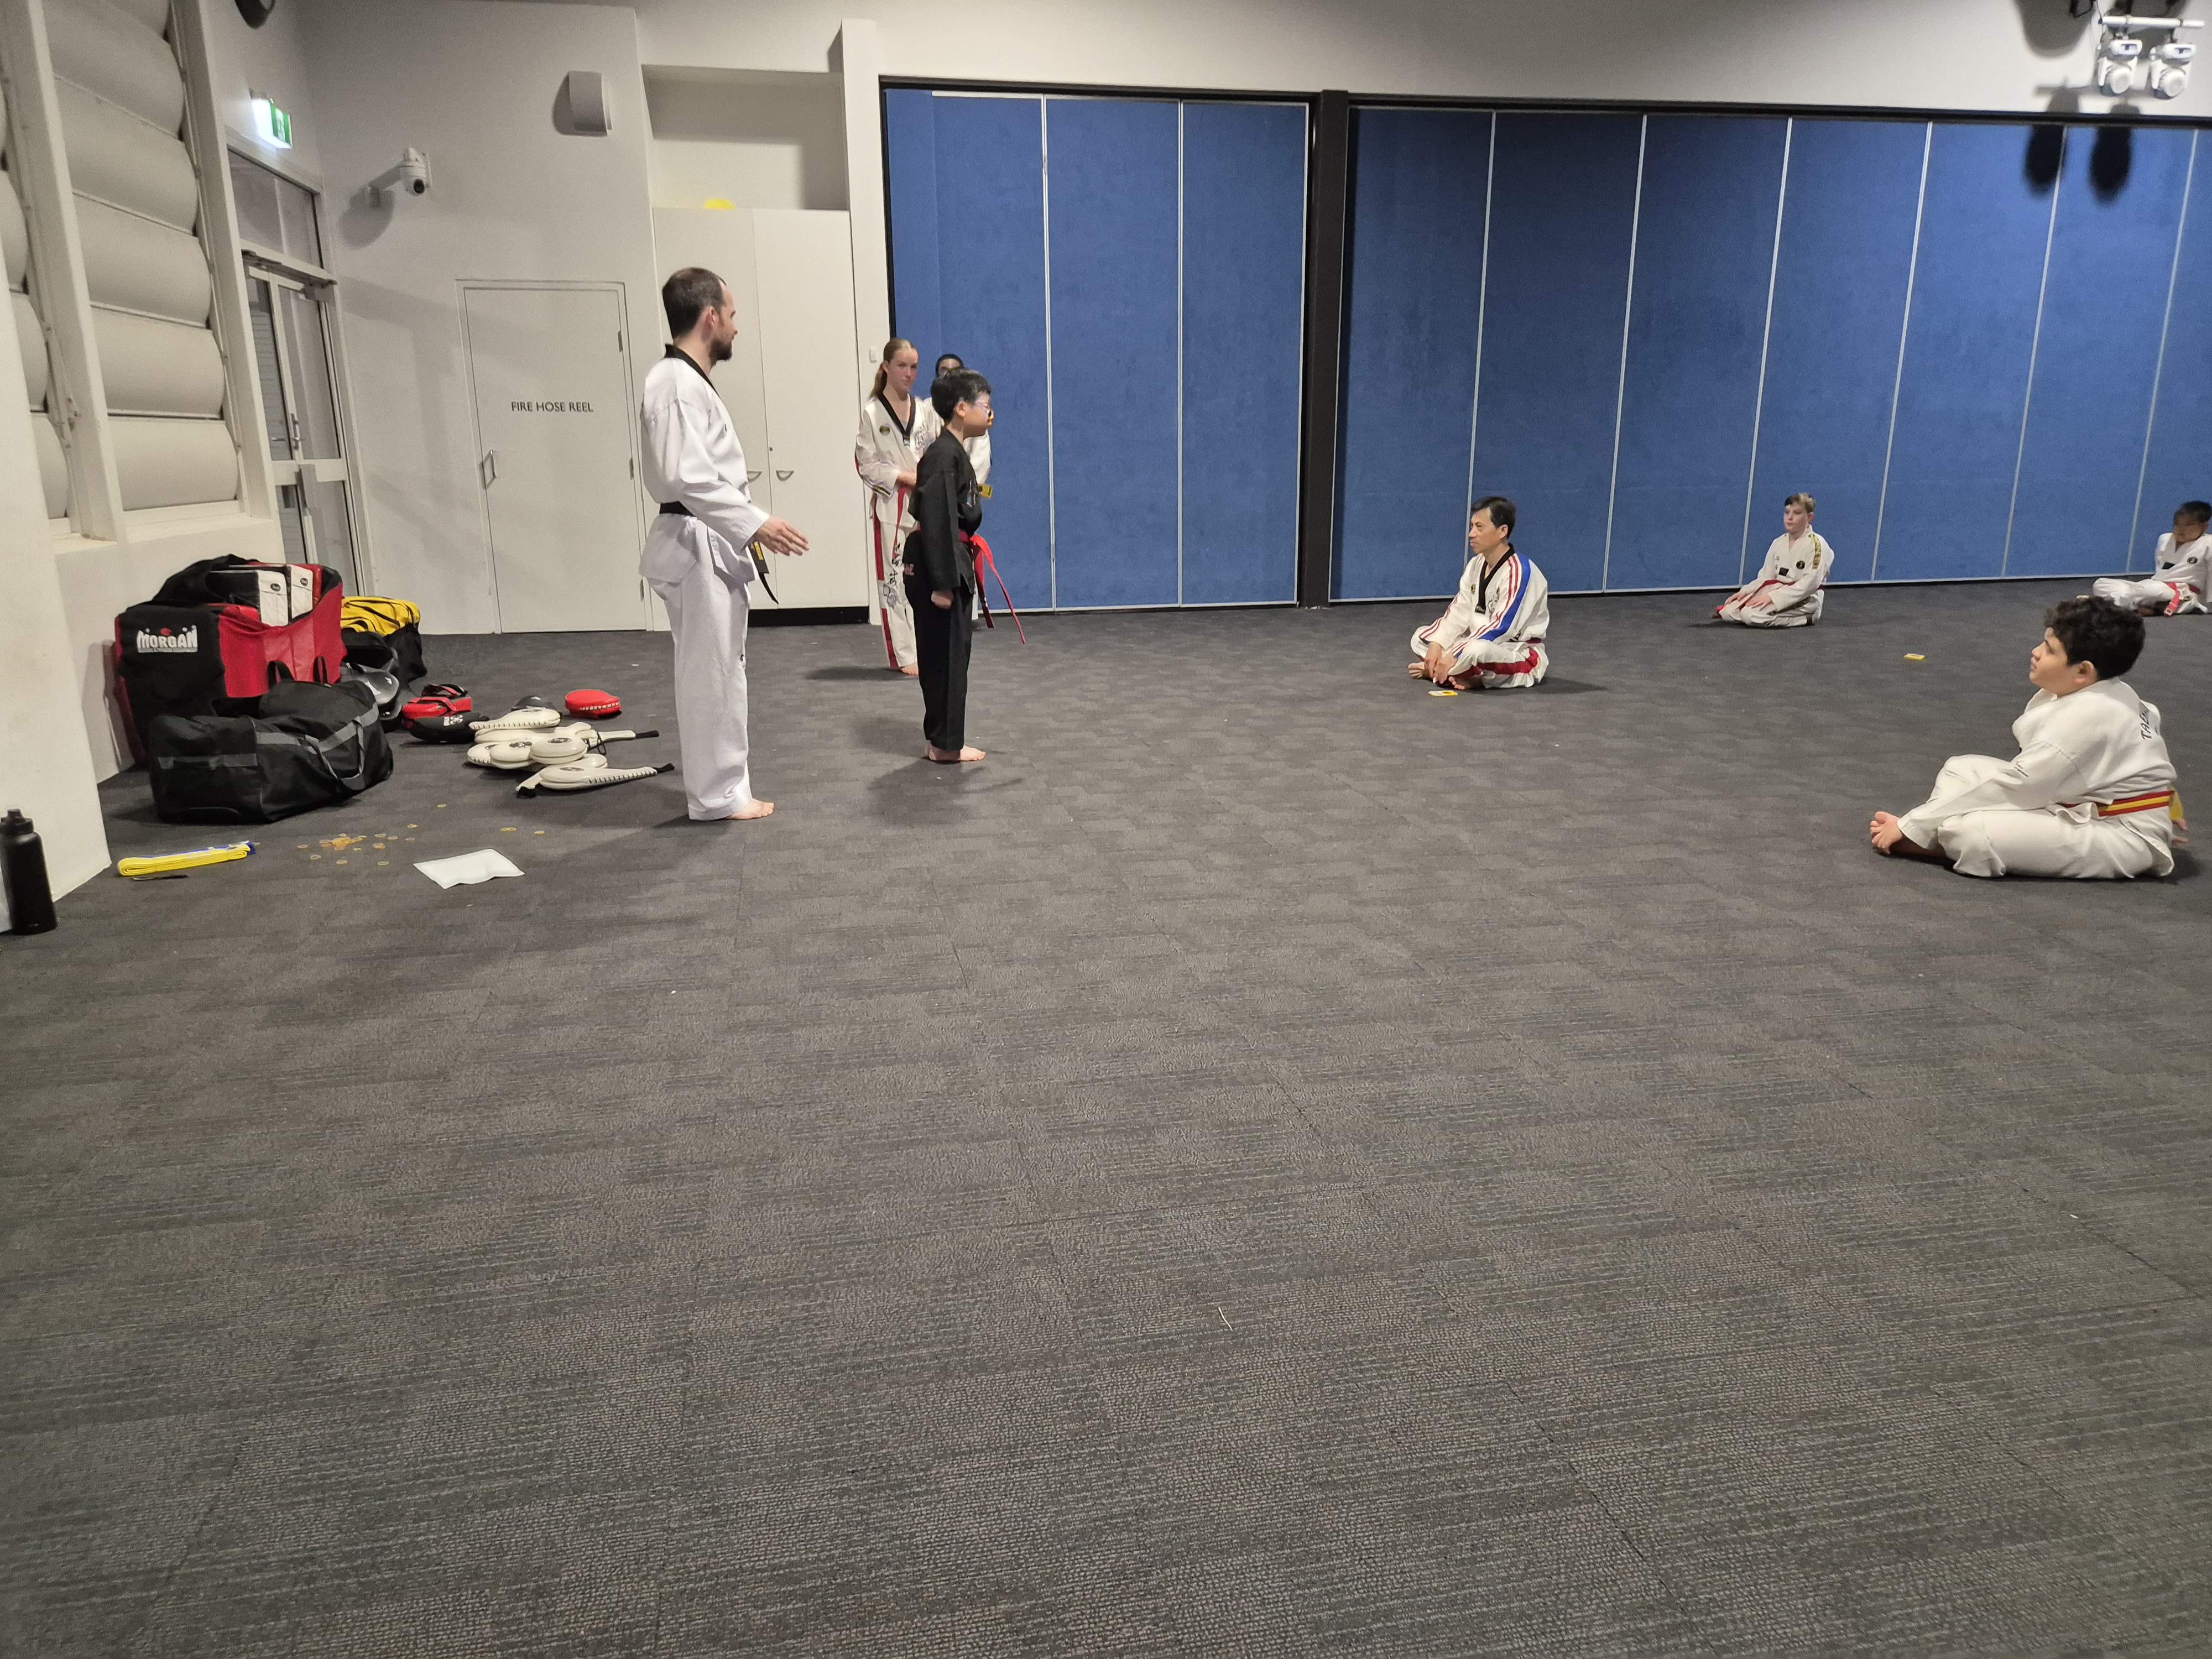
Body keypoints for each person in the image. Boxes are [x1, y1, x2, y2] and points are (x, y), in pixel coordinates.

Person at [639, 267, 808, 822]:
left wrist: (745, 523)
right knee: (710, 676)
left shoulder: (685, 381)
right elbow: (686, 477)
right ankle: (716, 795)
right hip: (695, 542)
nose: (736, 327)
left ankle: (725, 788)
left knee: (721, 670)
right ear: (710, 316)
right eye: (732, 315)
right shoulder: (675, 383)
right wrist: (754, 522)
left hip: (706, 540)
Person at [1870, 596, 2178, 879]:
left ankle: (1928, 843)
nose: (2036, 652)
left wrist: (1913, 823)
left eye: (2050, 650)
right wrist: (2165, 804)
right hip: (2086, 803)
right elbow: (2144, 749)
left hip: (2123, 836)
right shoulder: (2113, 689)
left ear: (2083, 671)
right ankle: (1934, 832)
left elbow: (2018, 788)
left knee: (1972, 832)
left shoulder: (2086, 717)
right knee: (1961, 768)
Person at [907, 368, 992, 763]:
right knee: (946, 658)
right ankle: (945, 744)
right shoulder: (944, 455)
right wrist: (943, 583)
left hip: (947, 558)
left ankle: (941, 739)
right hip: (939, 564)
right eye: (984, 406)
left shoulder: (951, 451)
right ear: (961, 408)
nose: (989, 413)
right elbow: (939, 517)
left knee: (945, 655)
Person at [1406, 495, 1550, 688]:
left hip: (1517, 652)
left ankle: (1455, 674)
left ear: (1502, 531)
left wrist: (1455, 653)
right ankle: (1452, 671)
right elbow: (1459, 611)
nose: (1471, 534)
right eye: (1472, 526)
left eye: (1479, 527)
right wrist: (1437, 644)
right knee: (1422, 637)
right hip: (1478, 643)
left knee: (1476, 650)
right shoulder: (1476, 564)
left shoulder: (1520, 572)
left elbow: (1502, 628)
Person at [855, 338, 928, 676]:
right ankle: (903, 653)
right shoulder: (872, 413)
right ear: (886, 367)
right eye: (901, 366)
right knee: (894, 580)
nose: (909, 373)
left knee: (923, 580)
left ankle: (926, 646)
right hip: (891, 506)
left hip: (924, 506)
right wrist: (903, 476)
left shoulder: (924, 411)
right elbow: (865, 463)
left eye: (914, 367)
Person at [1716, 493, 1832, 627]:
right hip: (1777, 589)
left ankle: (1806, 618)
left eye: (1797, 513)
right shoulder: (1779, 542)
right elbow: (1766, 577)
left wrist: (1773, 598)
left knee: (1750, 615)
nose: (1790, 518)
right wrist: (1746, 591)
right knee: (1728, 612)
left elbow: (1810, 584)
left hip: (1806, 597)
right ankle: (1762, 612)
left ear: (1810, 517)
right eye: (1787, 512)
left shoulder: (1816, 545)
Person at [2092, 500, 2211, 617]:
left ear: (2205, 527)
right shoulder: (2165, 539)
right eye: (2177, 524)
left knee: (2151, 591)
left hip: (2180, 592)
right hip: (2152, 585)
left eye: (2189, 525)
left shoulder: (2208, 544)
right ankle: (2136, 606)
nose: (2181, 529)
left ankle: (2115, 604)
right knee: (2101, 584)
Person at [931, 352, 993, 488]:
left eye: (955, 372)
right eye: (944, 371)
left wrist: (968, 489)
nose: (949, 376)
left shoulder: (975, 421)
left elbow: (980, 464)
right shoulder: (926, 410)